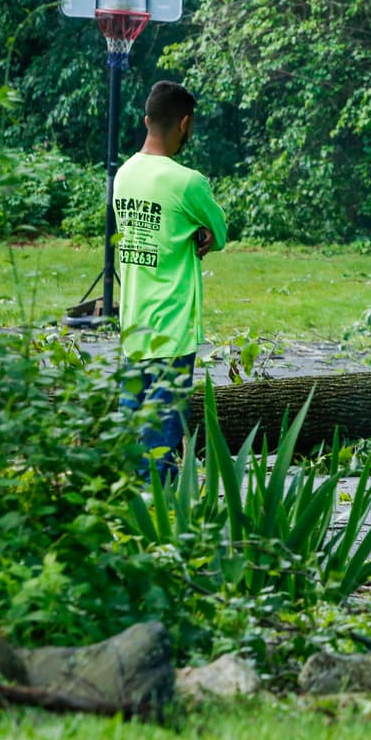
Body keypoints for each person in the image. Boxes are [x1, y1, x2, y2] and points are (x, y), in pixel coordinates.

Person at [114, 80, 228, 483]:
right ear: (184, 123)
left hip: (134, 326)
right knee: (160, 446)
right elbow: (220, 231)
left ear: (147, 121)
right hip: (172, 328)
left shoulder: (123, 175)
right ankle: (156, 527)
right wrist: (205, 234)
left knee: (131, 437)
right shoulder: (189, 182)